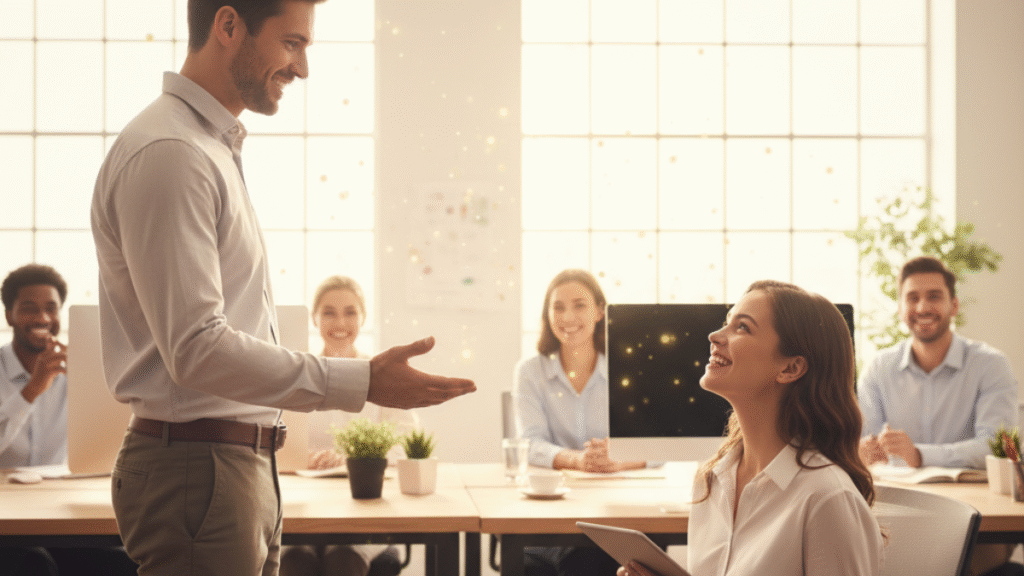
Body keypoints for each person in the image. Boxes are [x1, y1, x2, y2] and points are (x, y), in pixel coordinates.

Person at [89, 1, 475, 574]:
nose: (302, 68)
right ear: (228, 26)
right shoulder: (172, 153)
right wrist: (362, 379)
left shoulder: (208, 148)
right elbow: (196, 348)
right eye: (292, 43)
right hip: (202, 469)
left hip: (233, 466)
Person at [621, 280, 883, 576]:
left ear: (790, 368)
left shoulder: (827, 499)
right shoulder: (711, 480)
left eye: (742, 327)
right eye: (726, 323)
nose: (715, 335)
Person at [857, 256, 1021, 576]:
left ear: (954, 305)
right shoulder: (878, 369)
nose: (922, 307)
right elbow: (867, 448)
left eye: (934, 296)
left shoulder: (990, 365)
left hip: (977, 520)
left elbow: (996, 446)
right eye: (912, 298)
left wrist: (918, 454)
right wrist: (863, 450)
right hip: (900, 516)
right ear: (901, 308)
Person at [0, 264, 138, 576]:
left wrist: (89, 376)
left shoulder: (78, 372)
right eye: (29, 309)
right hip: (6, 508)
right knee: (33, 565)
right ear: (9, 316)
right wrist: (32, 389)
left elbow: (108, 442)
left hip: (58, 502)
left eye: (51, 308)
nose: (43, 319)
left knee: (119, 561)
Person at [513, 269, 647, 576]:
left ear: (600, 311)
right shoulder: (530, 372)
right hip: (552, 509)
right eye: (557, 307)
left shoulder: (628, 367)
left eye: (579, 305)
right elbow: (530, 444)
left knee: (589, 557)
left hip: (615, 510)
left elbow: (657, 449)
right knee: (579, 558)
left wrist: (618, 460)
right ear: (547, 315)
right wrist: (578, 460)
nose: (567, 316)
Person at [281, 276, 413, 576]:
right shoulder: (295, 374)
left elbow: (405, 444)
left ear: (363, 317)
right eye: (328, 312)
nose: (339, 321)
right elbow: (278, 442)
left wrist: (356, 460)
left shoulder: (381, 374)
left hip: (364, 505)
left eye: (350, 312)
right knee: (295, 561)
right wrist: (306, 458)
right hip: (305, 505)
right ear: (314, 318)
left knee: (343, 558)